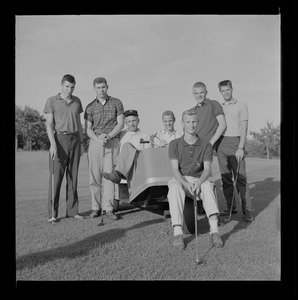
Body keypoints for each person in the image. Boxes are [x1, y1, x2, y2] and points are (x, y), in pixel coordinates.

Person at [167, 109, 223, 250]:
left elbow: (207, 169)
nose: (191, 125)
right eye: (188, 122)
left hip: (200, 178)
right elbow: (175, 171)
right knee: (174, 187)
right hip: (182, 179)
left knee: (208, 187)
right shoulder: (174, 144)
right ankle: (178, 234)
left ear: (197, 122)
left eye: (194, 122)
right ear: (182, 123)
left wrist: (199, 182)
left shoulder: (206, 145)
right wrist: (185, 183)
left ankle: (215, 232)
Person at [44, 74, 85, 222]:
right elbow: (49, 124)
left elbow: (79, 124)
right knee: (56, 178)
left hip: (75, 140)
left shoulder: (77, 101)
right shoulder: (52, 101)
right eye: (67, 86)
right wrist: (53, 144)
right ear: (61, 85)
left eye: (72, 87)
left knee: (73, 177)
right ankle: (53, 214)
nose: (69, 89)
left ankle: (72, 211)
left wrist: (81, 143)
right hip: (59, 139)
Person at [84, 77, 124, 220]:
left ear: (107, 87)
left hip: (111, 142)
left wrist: (109, 135)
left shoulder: (116, 103)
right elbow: (88, 129)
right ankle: (95, 208)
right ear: (94, 88)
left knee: (108, 177)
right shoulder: (89, 106)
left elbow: (120, 124)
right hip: (95, 143)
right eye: (98, 87)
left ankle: (108, 209)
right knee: (94, 177)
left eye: (103, 87)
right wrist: (97, 139)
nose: (101, 90)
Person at [217, 80, 254, 223]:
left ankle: (248, 210)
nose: (226, 93)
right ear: (220, 92)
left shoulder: (241, 105)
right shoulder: (219, 107)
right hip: (222, 143)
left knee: (241, 178)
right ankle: (230, 207)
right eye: (223, 91)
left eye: (228, 90)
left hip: (236, 142)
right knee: (226, 178)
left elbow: (244, 128)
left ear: (232, 89)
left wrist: (240, 147)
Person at [190, 82, 226, 214]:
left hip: (207, 147)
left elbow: (222, 125)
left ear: (206, 92)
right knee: (194, 176)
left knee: (207, 177)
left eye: (202, 92)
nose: (199, 95)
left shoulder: (214, 104)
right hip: (195, 148)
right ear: (193, 94)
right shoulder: (193, 110)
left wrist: (211, 143)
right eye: (196, 93)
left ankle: (213, 213)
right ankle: (199, 205)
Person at [103, 109, 153, 184]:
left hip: (138, 171)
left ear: (138, 120)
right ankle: (117, 174)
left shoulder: (146, 137)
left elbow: (147, 156)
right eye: (129, 121)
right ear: (125, 122)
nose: (132, 124)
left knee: (127, 146)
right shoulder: (120, 135)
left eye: (134, 121)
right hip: (123, 177)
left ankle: (117, 174)